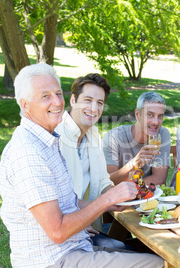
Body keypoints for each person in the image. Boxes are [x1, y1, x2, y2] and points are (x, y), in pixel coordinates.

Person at [0, 63, 164, 267]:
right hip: (52, 258)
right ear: (25, 105)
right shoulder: (28, 152)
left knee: (151, 251)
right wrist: (109, 198)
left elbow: (70, 201)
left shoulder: (50, 141)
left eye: (58, 93)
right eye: (45, 96)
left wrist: (113, 201)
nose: (56, 102)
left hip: (76, 242)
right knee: (157, 264)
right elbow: (58, 231)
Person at [55, 73, 129, 249]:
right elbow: (55, 200)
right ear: (73, 100)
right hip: (65, 235)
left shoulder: (93, 135)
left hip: (90, 228)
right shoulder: (56, 136)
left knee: (133, 248)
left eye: (100, 103)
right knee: (132, 253)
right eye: (87, 100)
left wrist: (117, 197)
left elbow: (104, 180)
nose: (94, 109)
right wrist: (78, 222)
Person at [103, 91, 171, 185]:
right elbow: (108, 182)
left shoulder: (162, 134)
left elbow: (159, 179)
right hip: (120, 198)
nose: (156, 122)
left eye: (160, 116)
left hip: (148, 197)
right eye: (150, 115)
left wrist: (134, 189)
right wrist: (134, 164)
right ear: (137, 114)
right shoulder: (113, 138)